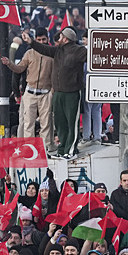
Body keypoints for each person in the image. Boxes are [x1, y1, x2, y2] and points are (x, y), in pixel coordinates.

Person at [21, 26, 87, 158]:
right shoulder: (58, 51)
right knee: (60, 123)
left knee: (71, 123)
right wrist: (31, 42)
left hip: (72, 93)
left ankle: (71, 150)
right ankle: (62, 149)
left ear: (66, 39)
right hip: (58, 93)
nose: (59, 38)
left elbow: (94, 58)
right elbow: (43, 48)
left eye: (61, 36)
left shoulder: (79, 51)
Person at [0, 27, 55, 154]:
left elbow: (56, 74)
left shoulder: (52, 54)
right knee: (28, 122)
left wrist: (52, 91)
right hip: (30, 92)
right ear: (35, 39)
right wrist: (9, 64)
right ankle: (30, 149)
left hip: (46, 92)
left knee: (46, 123)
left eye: (44, 39)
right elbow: (20, 69)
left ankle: (46, 148)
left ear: (47, 39)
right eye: (39, 40)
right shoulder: (29, 53)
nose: (41, 42)